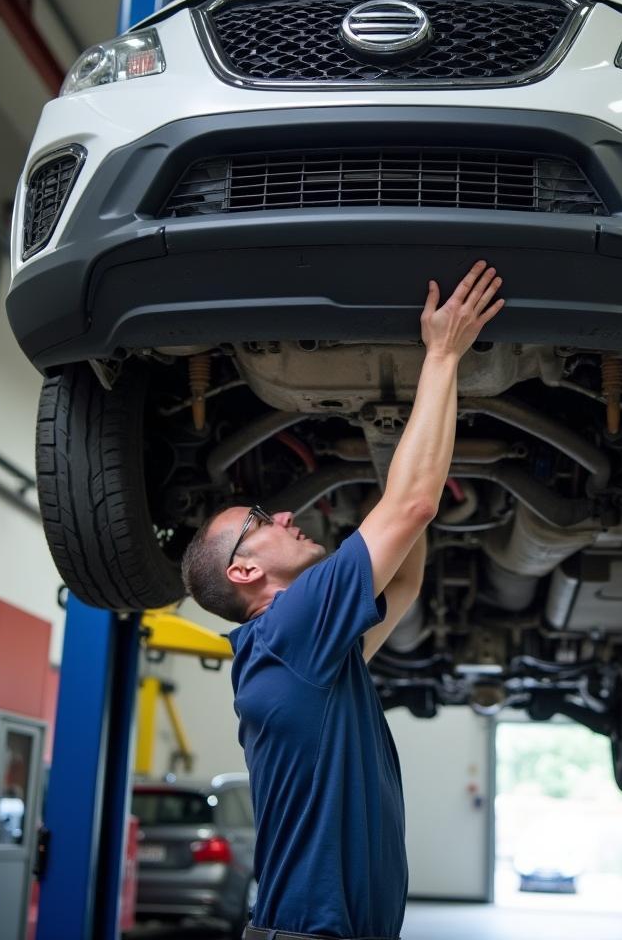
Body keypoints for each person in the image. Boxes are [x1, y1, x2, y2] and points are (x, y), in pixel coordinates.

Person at [182, 261, 504, 940]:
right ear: (243, 572)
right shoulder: (291, 633)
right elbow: (414, 510)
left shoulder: (297, 653)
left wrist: (396, 471)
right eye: (262, 522)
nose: (286, 519)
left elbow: (406, 563)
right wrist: (442, 354)